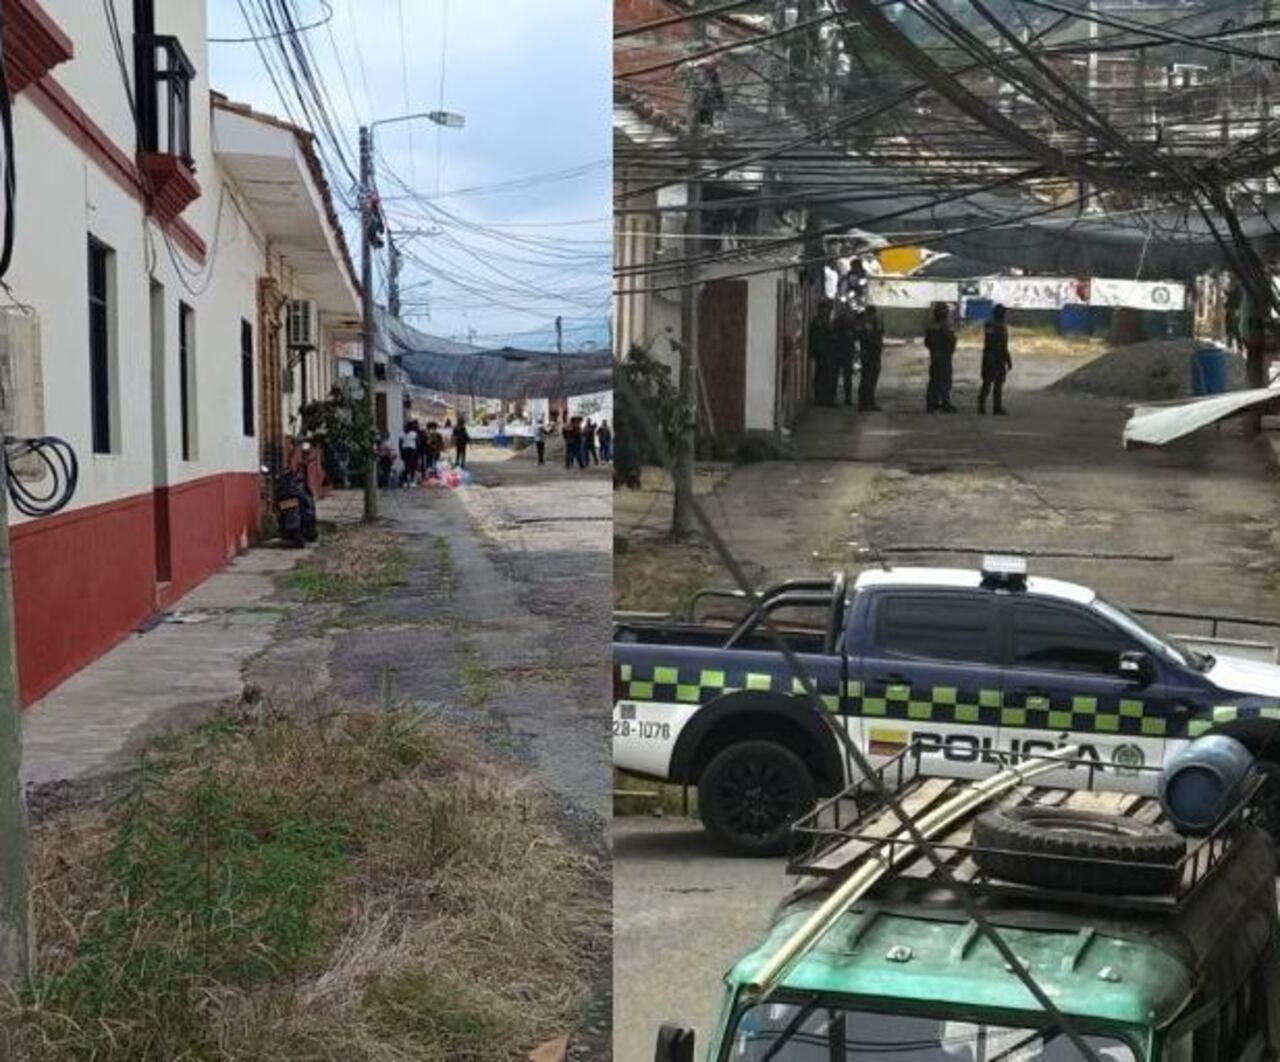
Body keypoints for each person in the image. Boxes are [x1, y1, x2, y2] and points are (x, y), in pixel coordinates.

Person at [979, 303, 1013, 416]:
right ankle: (997, 407)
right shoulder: (1001, 327)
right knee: (997, 384)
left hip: (987, 357)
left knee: (987, 383)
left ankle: (981, 406)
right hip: (998, 358)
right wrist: (1008, 360)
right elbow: (1003, 345)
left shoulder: (989, 325)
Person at [923, 302, 957, 413]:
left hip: (935, 356)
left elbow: (927, 342)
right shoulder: (946, 326)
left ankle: (931, 404)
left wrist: (934, 350)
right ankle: (945, 403)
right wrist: (949, 351)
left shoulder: (931, 326)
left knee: (934, 380)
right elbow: (951, 341)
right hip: (945, 357)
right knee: (945, 380)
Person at [832, 302, 860, 407]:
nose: (843, 311)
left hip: (846, 351)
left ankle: (847, 398)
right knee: (836, 376)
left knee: (846, 376)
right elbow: (832, 334)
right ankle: (836, 397)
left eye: (845, 309)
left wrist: (851, 335)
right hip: (839, 351)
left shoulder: (851, 322)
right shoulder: (837, 321)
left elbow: (856, 334)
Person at [809, 299, 835, 406]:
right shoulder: (818, 321)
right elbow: (816, 337)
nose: (827, 311)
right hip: (821, 353)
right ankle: (820, 398)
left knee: (827, 376)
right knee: (821, 376)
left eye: (828, 309)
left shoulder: (827, 320)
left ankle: (826, 398)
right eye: (825, 309)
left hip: (827, 352)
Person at [858, 305, 884, 412]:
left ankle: (865, 402)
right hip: (870, 354)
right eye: (873, 313)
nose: (874, 316)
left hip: (870, 353)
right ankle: (868, 403)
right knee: (869, 379)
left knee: (867, 378)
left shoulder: (868, 323)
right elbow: (870, 338)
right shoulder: (868, 324)